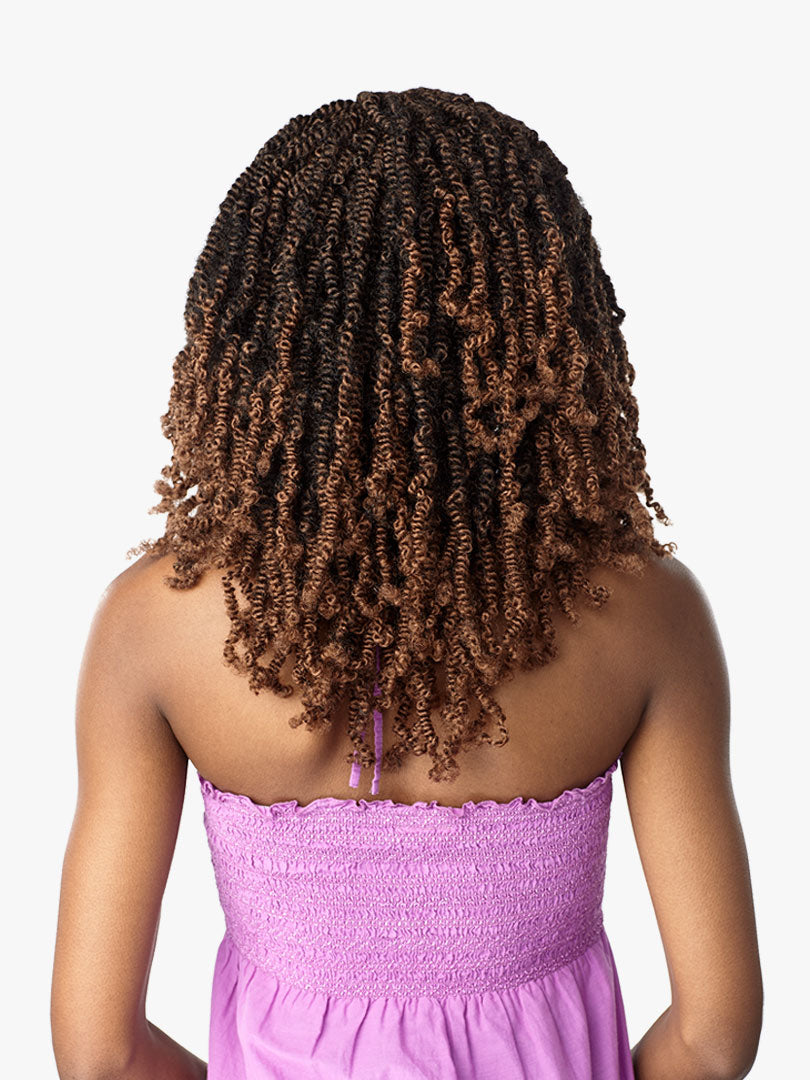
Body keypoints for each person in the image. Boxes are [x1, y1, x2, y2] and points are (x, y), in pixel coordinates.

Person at [51, 87, 763, 1079]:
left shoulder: (156, 627)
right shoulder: (647, 617)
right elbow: (716, 1035)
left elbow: (100, 1054)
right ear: (547, 330)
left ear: (260, 338)